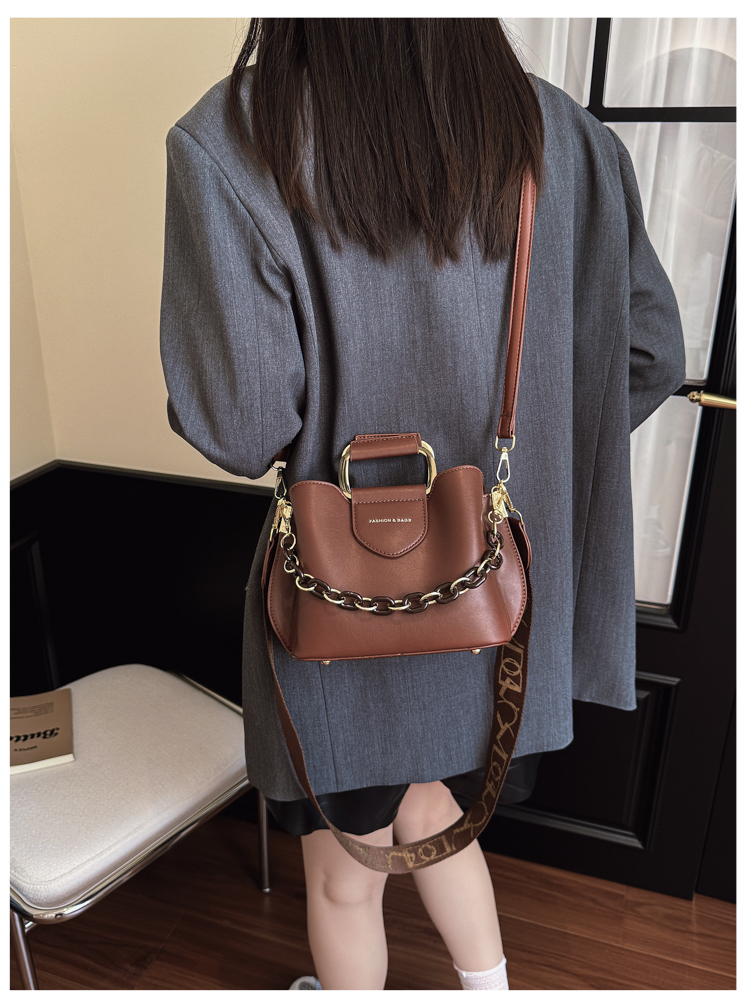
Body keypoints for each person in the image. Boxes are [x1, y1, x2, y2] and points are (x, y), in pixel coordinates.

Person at [159, 19, 685, 990]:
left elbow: (238, 425)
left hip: (339, 608)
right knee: (438, 814)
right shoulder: (562, 134)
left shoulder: (234, 139)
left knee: (344, 874)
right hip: (501, 607)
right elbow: (649, 354)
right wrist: (530, 460)